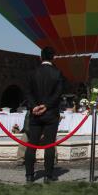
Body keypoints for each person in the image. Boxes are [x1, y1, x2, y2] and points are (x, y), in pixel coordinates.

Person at [25, 47, 65, 182]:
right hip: (51, 113)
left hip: (35, 113)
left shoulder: (31, 73)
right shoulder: (57, 73)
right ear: (53, 57)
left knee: (32, 143)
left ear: (40, 57)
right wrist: (46, 105)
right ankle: (48, 175)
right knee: (49, 144)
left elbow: (28, 92)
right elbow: (58, 94)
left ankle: (29, 175)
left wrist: (35, 106)